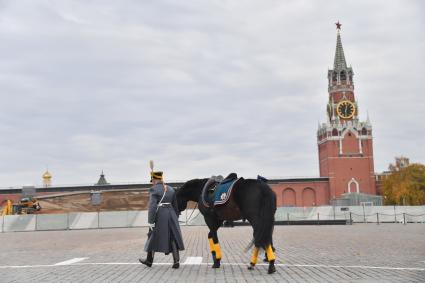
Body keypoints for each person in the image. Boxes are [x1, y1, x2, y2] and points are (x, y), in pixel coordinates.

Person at [139, 171, 185, 268]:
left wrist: (151, 221)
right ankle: (176, 261)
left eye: (152, 180)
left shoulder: (154, 189)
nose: (152, 183)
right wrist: (175, 217)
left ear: (155, 180)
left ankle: (149, 261)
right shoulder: (171, 189)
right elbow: (175, 206)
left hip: (160, 215)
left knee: (152, 235)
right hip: (171, 214)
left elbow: (152, 207)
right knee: (173, 236)